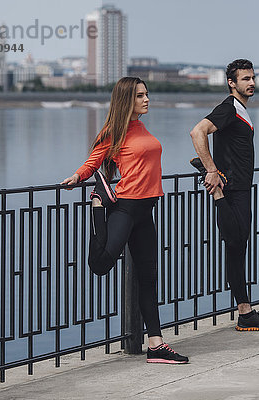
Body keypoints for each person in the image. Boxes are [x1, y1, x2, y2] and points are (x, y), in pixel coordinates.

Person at [61, 77, 189, 364]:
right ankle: (97, 204)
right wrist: (77, 177)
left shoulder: (141, 127)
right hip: (126, 207)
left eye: (147, 94)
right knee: (101, 264)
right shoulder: (113, 132)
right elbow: (93, 161)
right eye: (140, 95)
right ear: (126, 100)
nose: (147, 99)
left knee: (149, 278)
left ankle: (156, 346)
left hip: (146, 210)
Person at [189, 59, 259, 331]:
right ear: (232, 83)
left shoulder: (240, 109)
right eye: (245, 79)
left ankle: (245, 311)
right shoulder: (228, 108)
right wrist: (212, 170)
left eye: (252, 78)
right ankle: (245, 312)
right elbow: (197, 132)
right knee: (235, 242)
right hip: (233, 188)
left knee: (237, 247)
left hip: (240, 186)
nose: (251, 83)